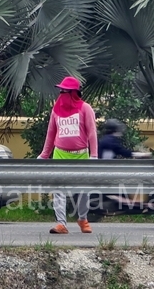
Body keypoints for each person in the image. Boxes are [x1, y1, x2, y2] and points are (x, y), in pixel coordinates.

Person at [37, 76, 98, 234]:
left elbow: (92, 133)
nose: (62, 93)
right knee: (59, 190)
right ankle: (61, 223)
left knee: (84, 190)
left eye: (66, 91)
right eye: (61, 91)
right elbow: (51, 133)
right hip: (60, 154)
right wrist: (44, 154)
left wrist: (94, 155)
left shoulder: (85, 109)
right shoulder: (56, 110)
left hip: (81, 156)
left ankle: (83, 219)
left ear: (75, 93)